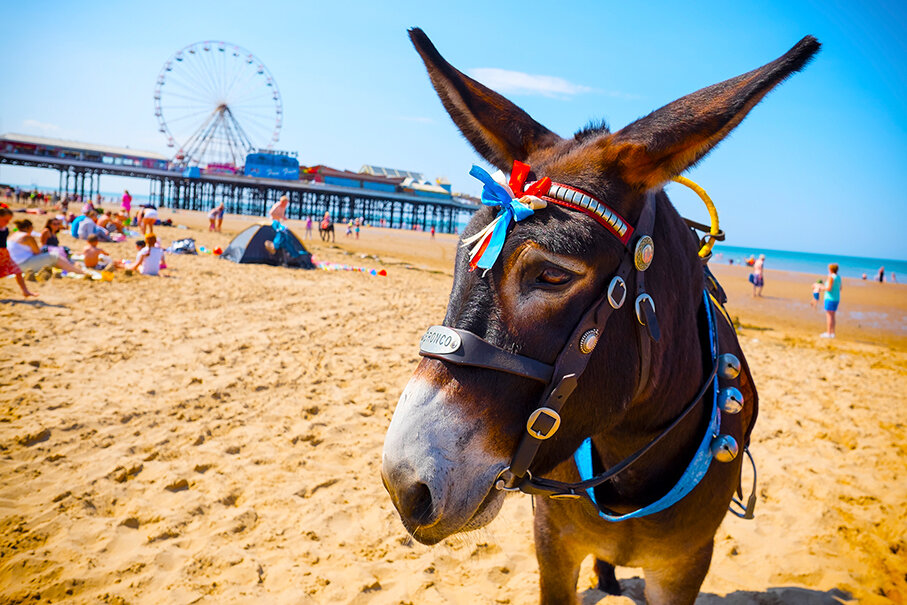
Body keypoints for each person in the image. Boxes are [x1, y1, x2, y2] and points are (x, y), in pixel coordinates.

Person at [7, 219, 84, 276]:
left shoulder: (13, 235)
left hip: (13, 266)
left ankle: (73, 269)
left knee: (54, 258)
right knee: (54, 256)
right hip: (22, 266)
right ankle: (79, 272)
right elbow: (37, 251)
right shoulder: (27, 237)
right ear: (30, 227)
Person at [0, 208, 37, 297]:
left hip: (4, 253)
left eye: (9, 220)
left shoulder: (5, 229)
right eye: (5, 220)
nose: (7, 222)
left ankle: (25, 291)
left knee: (17, 270)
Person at [820, 263, 842, 338]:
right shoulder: (838, 277)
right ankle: (832, 333)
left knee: (829, 316)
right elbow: (840, 288)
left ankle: (829, 333)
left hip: (830, 298)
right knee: (833, 316)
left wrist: (821, 288)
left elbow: (828, 288)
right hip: (836, 298)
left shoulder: (831, 277)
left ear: (831, 269)